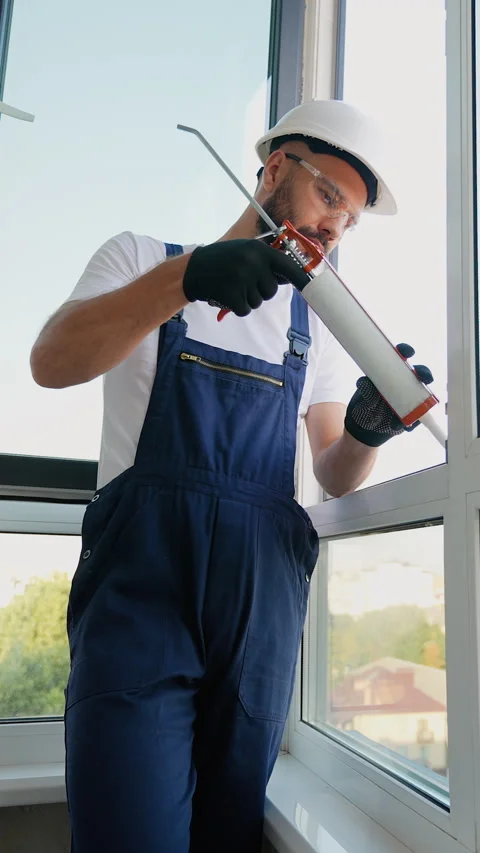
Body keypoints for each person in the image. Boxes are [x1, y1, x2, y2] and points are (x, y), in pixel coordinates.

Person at [30, 99, 433, 853]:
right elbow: (52, 362)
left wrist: (366, 429)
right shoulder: (142, 257)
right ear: (277, 168)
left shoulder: (318, 327)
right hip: (139, 601)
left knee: (226, 836)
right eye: (328, 199)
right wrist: (186, 280)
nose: (332, 230)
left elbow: (333, 473)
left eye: (348, 223)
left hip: (257, 621)